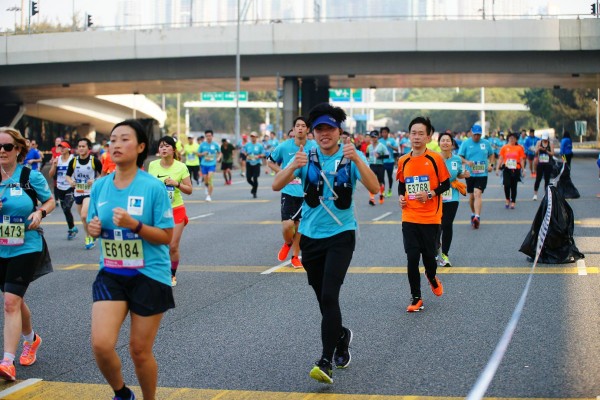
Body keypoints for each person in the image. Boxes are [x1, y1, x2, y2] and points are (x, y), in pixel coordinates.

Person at [272, 103, 378, 384]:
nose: (324, 134)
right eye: (319, 129)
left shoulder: (350, 156)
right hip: (310, 238)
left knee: (330, 295)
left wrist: (357, 161)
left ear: (339, 131)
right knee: (323, 299)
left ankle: (325, 361)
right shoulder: (305, 157)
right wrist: (293, 166)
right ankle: (341, 335)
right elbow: (276, 184)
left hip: (341, 236)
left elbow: (375, 187)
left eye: (329, 128)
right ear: (313, 133)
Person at [87, 120, 174, 400]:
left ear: (140, 147)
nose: (116, 145)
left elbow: (166, 236)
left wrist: (134, 225)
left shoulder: (153, 187)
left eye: (125, 139)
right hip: (112, 272)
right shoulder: (100, 186)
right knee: (101, 345)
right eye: (113, 139)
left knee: (139, 350)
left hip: (149, 275)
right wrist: (92, 229)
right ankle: (122, 393)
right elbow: (92, 224)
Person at [0, 127, 55, 382]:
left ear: (18, 149)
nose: (2, 151)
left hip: (26, 244)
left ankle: (7, 362)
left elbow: (49, 201)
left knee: (11, 302)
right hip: (1, 246)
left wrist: (40, 213)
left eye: (7, 147)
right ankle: (31, 340)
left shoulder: (29, 176)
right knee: (14, 299)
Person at [396, 117, 450, 313]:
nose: (416, 137)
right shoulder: (403, 160)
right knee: (412, 258)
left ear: (428, 137)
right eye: (413, 133)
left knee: (429, 258)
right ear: (409, 136)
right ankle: (416, 297)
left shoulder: (435, 159)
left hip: (431, 218)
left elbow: (446, 184)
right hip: (409, 216)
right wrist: (401, 197)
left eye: (421, 133)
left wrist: (430, 194)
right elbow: (402, 184)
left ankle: (432, 276)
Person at [268, 116, 315, 268]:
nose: (300, 128)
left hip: (306, 192)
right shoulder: (284, 146)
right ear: (294, 129)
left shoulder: (314, 147)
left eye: (303, 126)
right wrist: (282, 173)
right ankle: (288, 242)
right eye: (297, 125)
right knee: (288, 226)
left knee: (299, 226)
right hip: (288, 191)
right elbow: (270, 161)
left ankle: (295, 256)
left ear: (308, 129)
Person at [148, 136, 192, 287]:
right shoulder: (153, 165)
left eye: (167, 146)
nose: (164, 148)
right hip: (158, 211)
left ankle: (172, 274)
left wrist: (176, 184)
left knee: (172, 246)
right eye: (161, 146)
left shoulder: (181, 167)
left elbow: (189, 190)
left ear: (173, 149)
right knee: (158, 245)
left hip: (176, 209)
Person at [437, 132, 469, 268]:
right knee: (436, 225)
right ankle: (435, 249)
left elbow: (459, 174)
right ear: (439, 143)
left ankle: (445, 255)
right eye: (443, 140)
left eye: (448, 140)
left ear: (452, 144)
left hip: (452, 196)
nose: (445, 142)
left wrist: (464, 175)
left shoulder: (457, 159)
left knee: (447, 224)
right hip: (436, 195)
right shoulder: (434, 158)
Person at [66, 138, 103, 250]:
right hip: (78, 192)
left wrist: (95, 180)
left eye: (83, 146)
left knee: (84, 215)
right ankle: (90, 234)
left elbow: (103, 174)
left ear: (89, 148)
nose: (81, 148)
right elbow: (67, 175)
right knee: (84, 219)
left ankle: (89, 237)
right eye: (79, 146)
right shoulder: (74, 161)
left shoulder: (94, 161)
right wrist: (71, 182)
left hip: (90, 192)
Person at [458, 123, 493, 229]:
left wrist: (491, 165)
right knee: (472, 196)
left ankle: (477, 216)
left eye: (479, 134)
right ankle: (473, 213)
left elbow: (491, 154)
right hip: (470, 174)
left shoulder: (486, 143)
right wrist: (467, 162)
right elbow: (460, 156)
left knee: (478, 193)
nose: (477, 136)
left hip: (482, 173)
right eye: (475, 134)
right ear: (471, 133)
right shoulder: (466, 143)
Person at [48, 141, 78, 240]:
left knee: (67, 207)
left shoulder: (73, 159)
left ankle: (72, 229)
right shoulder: (57, 159)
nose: (61, 149)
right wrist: (54, 165)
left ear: (68, 149)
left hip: (70, 187)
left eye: (63, 147)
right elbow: (50, 175)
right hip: (60, 188)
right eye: (60, 147)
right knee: (65, 210)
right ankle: (72, 228)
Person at [496, 132, 526, 209]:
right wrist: (497, 168)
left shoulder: (519, 148)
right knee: (506, 184)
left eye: (513, 138)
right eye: (510, 138)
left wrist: (523, 169)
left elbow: (521, 159)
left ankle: (513, 201)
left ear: (516, 140)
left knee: (514, 186)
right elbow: (500, 158)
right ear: (508, 139)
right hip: (506, 169)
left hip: (516, 169)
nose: (512, 139)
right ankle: (507, 199)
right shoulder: (504, 147)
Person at [366, 130, 389, 206]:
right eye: (372, 137)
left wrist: (380, 156)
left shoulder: (382, 146)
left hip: (380, 166)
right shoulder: (369, 147)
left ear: (377, 137)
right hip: (372, 165)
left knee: (380, 182)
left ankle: (381, 195)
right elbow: (367, 155)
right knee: (371, 182)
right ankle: (372, 199)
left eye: (375, 137)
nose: (373, 139)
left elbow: (387, 155)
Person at [198, 130, 221, 202]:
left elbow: (220, 153)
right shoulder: (202, 145)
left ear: (212, 136)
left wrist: (218, 158)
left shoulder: (215, 144)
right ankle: (206, 185)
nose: (208, 137)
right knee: (206, 179)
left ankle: (209, 196)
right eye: (207, 136)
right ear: (205, 136)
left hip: (212, 164)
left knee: (210, 178)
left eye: (210, 136)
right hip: (204, 164)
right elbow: (198, 154)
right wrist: (202, 154)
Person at [532, 132, 555, 201]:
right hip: (540, 163)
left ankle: (546, 194)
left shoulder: (550, 144)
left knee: (547, 179)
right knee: (538, 179)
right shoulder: (539, 143)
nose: (544, 140)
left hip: (548, 164)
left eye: (546, 139)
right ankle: (535, 194)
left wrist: (546, 151)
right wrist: (539, 149)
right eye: (543, 139)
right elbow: (535, 153)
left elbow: (552, 153)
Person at [243, 132, 265, 198]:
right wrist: (246, 155)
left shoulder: (259, 146)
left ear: (256, 137)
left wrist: (258, 156)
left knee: (255, 178)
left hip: (257, 163)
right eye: (251, 136)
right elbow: (244, 151)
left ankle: (254, 192)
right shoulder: (247, 145)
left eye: (254, 136)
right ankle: (254, 186)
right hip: (249, 162)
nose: (253, 138)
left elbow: (263, 154)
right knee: (248, 178)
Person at [379, 127, 398, 197]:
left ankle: (389, 190)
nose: (384, 134)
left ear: (388, 133)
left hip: (390, 161)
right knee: (381, 177)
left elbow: (397, 149)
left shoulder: (392, 140)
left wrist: (391, 146)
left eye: (385, 132)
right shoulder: (379, 141)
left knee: (389, 176)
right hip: (382, 162)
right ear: (381, 133)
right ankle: (383, 191)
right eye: (383, 132)